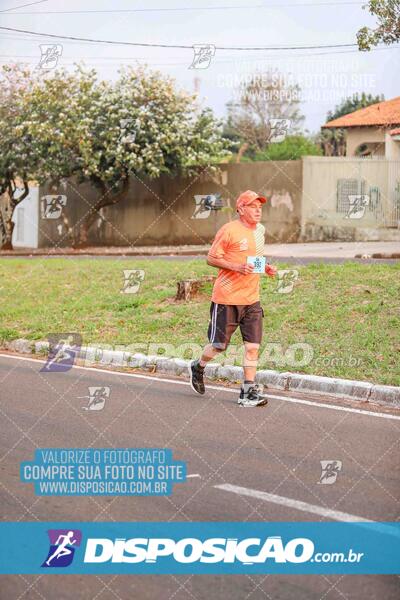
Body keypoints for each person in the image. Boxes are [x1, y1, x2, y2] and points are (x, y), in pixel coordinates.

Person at [189, 190, 277, 407]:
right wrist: (236, 267)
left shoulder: (260, 231)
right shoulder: (229, 230)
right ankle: (198, 366)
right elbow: (211, 258)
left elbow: (253, 259)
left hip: (252, 298)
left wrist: (263, 267)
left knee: (253, 347)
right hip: (226, 298)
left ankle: (247, 392)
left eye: (260, 207)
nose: (258, 210)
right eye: (252, 206)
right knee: (219, 346)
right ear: (240, 209)